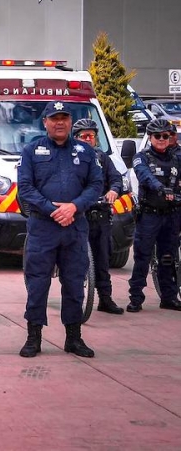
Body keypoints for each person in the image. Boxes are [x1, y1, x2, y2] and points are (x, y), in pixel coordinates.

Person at [17, 101, 103, 359]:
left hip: (74, 228)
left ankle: (73, 337)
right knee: (37, 284)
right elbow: (26, 188)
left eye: (64, 117)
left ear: (69, 121)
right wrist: (53, 210)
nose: (59, 122)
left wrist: (74, 207)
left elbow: (96, 184)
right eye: (54, 118)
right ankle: (34, 337)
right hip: (43, 228)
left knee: (75, 284)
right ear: (45, 122)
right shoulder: (31, 151)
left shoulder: (85, 152)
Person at [72, 118, 125, 315]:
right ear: (75, 138)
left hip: (100, 215)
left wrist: (113, 190)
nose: (88, 139)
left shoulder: (103, 158)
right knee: (75, 260)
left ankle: (105, 298)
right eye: (84, 136)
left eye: (91, 136)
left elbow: (116, 178)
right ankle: (75, 301)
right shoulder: (69, 157)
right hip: (78, 215)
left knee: (102, 259)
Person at [128, 118, 181, 312]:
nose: (161, 139)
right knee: (142, 256)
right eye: (157, 136)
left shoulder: (177, 158)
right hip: (150, 215)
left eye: (165, 136)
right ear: (150, 137)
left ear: (170, 138)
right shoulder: (142, 157)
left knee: (168, 256)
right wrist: (160, 187)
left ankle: (169, 297)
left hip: (172, 214)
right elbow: (144, 175)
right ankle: (135, 298)